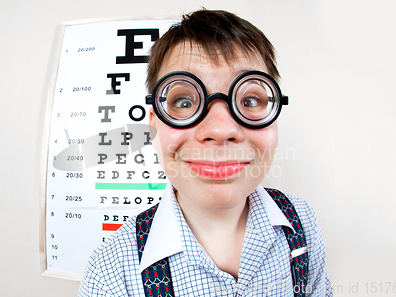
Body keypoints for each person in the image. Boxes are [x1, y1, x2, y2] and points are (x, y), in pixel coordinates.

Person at [78, 9, 332, 296]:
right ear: (154, 126)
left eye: (249, 99)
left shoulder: (302, 221)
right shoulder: (112, 274)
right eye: (184, 102)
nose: (221, 129)